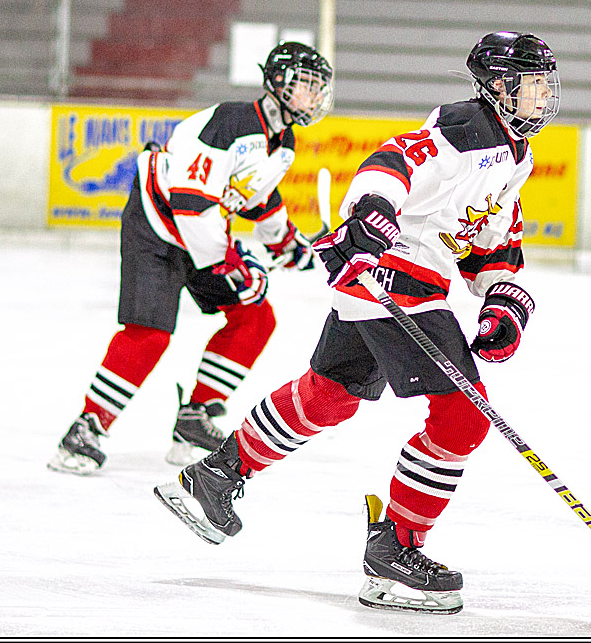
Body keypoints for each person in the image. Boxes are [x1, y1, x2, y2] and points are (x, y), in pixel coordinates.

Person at [153, 31, 560, 614]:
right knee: (463, 417)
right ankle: (395, 550)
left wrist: (503, 301)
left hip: (380, 285)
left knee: (329, 395)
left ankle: (213, 478)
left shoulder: (515, 154)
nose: (544, 97)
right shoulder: (469, 127)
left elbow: (490, 235)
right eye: (533, 84)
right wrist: (371, 216)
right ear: (499, 85)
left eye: (548, 84)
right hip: (397, 281)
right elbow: (392, 163)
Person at [48, 42, 334, 476]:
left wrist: (288, 245)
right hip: (157, 226)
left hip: (201, 237)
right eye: (306, 85)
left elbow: (257, 199)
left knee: (255, 318)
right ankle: (86, 428)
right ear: (278, 83)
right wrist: (232, 264)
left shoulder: (284, 142)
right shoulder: (230, 123)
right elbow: (190, 205)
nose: (315, 97)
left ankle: (193, 419)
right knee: (150, 333)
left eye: (318, 88)